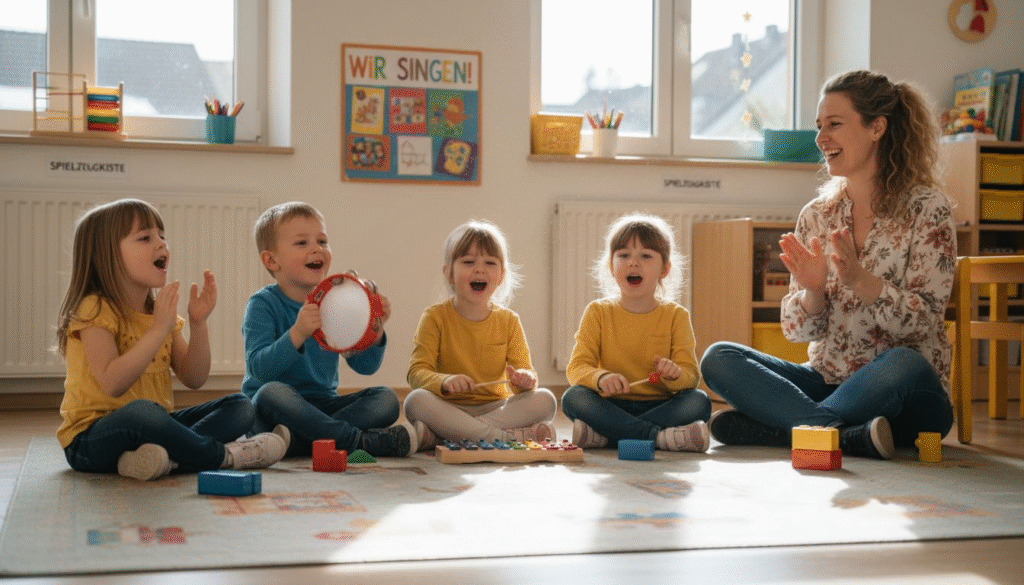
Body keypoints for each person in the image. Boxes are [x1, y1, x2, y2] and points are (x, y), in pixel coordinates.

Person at [700, 70, 956, 459]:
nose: (821, 138)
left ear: (877, 127)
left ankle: (785, 429)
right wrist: (813, 292)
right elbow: (796, 331)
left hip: (906, 395)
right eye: (819, 126)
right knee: (719, 357)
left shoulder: (927, 209)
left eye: (834, 125)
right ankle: (847, 435)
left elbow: (924, 322)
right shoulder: (816, 215)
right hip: (831, 383)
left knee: (903, 362)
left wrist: (859, 280)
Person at [56, 199, 286, 481]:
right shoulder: (94, 309)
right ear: (107, 256)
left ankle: (164, 460)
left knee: (240, 406)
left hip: (154, 432)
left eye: (162, 236)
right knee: (142, 413)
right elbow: (112, 383)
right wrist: (157, 331)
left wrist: (198, 323)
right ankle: (225, 456)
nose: (161, 245)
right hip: (90, 440)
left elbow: (194, 377)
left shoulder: (159, 314)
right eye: (145, 238)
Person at [243, 202, 415, 458]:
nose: (317, 249)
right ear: (271, 259)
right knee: (270, 394)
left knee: (386, 399)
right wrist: (298, 333)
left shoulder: (337, 299)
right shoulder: (262, 304)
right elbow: (260, 368)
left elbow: (365, 367)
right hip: (274, 412)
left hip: (323, 407)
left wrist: (374, 331)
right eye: (302, 243)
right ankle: (356, 441)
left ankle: (305, 441)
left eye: (322, 241)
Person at [562, 213, 711, 452]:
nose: (633, 263)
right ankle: (658, 438)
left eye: (646, 256)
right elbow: (577, 368)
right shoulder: (597, 312)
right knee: (573, 397)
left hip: (661, 404)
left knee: (699, 402)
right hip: (610, 405)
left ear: (664, 269)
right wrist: (601, 377)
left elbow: (691, 376)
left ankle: (607, 436)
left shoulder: (677, 315)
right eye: (624, 255)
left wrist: (674, 375)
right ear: (611, 266)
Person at [405, 220, 557, 450]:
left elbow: (525, 375)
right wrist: (444, 381)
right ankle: (503, 438)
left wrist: (525, 379)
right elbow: (416, 373)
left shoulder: (509, 321)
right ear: (449, 273)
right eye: (468, 262)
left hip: (496, 408)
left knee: (546, 400)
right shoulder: (434, 317)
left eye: (490, 262)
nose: (480, 269)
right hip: (449, 407)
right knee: (414, 401)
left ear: (501, 275)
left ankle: (447, 435)